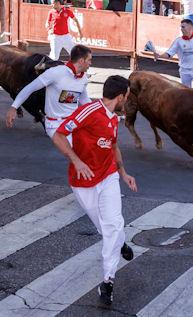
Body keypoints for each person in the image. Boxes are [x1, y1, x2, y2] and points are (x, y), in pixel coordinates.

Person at [52, 75, 137, 306]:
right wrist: (77, 161)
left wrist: (123, 173)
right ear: (120, 97)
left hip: (108, 176)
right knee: (105, 227)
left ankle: (107, 282)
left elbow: (114, 146)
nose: (127, 101)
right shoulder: (89, 112)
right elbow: (58, 134)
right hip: (83, 181)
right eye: (126, 97)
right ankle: (120, 244)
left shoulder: (114, 119)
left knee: (112, 225)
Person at [6, 45, 93, 141]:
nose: (90, 63)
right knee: (73, 153)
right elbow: (29, 88)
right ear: (81, 61)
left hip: (71, 123)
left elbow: (84, 100)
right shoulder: (55, 73)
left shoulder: (83, 78)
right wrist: (14, 107)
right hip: (55, 125)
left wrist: (102, 112)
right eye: (89, 60)